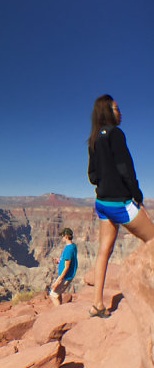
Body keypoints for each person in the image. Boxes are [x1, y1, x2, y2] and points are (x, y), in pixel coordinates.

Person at [87, 94, 154, 318]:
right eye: (116, 109)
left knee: (103, 252)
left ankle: (97, 304)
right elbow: (126, 168)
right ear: (107, 111)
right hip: (120, 203)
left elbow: (92, 176)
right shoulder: (116, 134)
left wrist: (106, 181)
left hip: (102, 203)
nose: (120, 112)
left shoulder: (94, 139)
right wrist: (137, 197)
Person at [49, 228, 77, 306]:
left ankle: (58, 312)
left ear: (66, 236)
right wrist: (60, 260)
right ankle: (60, 307)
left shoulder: (68, 249)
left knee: (53, 295)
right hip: (66, 275)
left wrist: (58, 281)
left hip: (65, 276)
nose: (62, 238)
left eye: (63, 236)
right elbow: (68, 260)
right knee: (58, 293)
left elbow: (66, 267)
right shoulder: (73, 246)